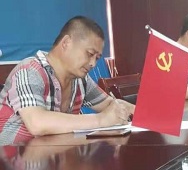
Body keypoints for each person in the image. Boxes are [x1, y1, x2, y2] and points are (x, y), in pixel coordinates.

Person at [0, 16, 133, 145]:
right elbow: (37, 123)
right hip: (10, 157)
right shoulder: (29, 71)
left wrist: (140, 113)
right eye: (90, 54)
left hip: (51, 155)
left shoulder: (80, 80)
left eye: (97, 58)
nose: (93, 63)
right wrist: (101, 120)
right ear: (66, 43)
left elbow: (112, 105)